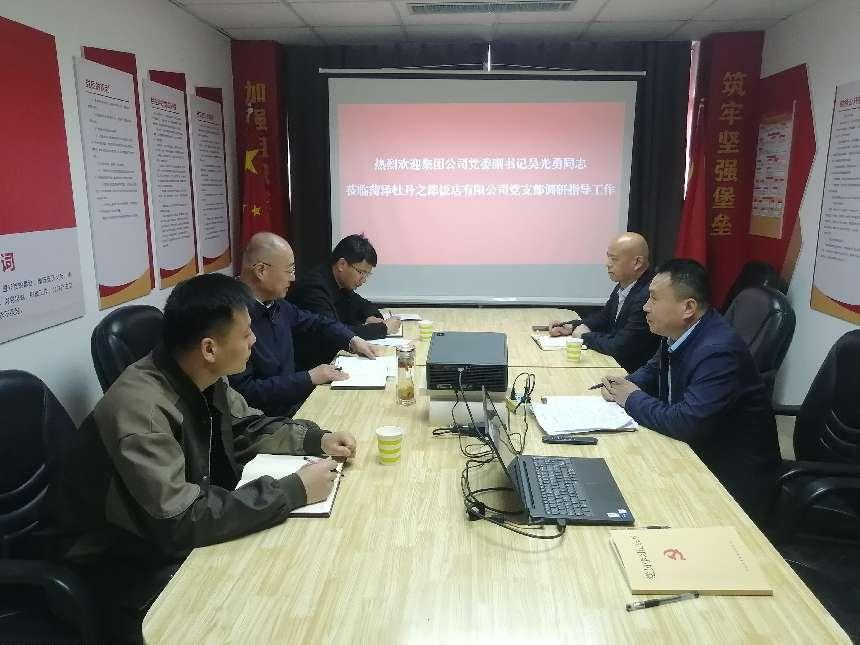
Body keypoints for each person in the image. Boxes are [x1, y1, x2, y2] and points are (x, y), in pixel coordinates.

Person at [48, 273, 357, 643]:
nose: (254, 341)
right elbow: (180, 519)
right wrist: (293, 491)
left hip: (163, 528)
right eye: (245, 334)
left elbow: (246, 427)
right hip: (115, 558)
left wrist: (317, 439)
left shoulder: (201, 374)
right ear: (209, 348)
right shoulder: (142, 411)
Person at [599, 259, 780, 521]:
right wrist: (625, 384)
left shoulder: (718, 352)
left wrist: (631, 397)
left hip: (729, 477)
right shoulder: (678, 331)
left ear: (688, 307)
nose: (645, 307)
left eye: (654, 299)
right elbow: (654, 369)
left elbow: (685, 423)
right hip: (694, 450)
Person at [230, 232, 377, 416]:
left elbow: (317, 322)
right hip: (266, 420)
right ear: (261, 271)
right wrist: (309, 378)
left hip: (295, 405)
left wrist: (352, 339)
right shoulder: (232, 316)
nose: (293, 278)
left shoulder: (278, 305)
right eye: (289, 271)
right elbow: (246, 393)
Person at [549, 232, 658, 372]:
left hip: (630, 372)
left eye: (614, 259)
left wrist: (584, 336)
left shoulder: (648, 295)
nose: (607, 264)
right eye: (608, 257)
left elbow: (621, 346)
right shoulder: (626, 284)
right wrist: (572, 326)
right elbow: (604, 318)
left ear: (637, 262)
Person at [288, 233, 400, 344]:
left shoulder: (340, 283)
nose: (364, 280)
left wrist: (370, 317)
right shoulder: (314, 288)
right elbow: (335, 332)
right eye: (361, 272)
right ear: (341, 264)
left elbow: (363, 304)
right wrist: (383, 329)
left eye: (367, 274)